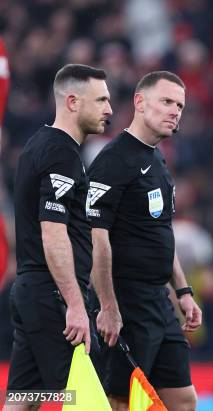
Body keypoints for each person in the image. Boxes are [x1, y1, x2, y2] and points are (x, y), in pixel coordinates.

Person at [87, 71, 201, 411]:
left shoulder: (158, 159)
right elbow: (97, 238)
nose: (174, 111)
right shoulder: (112, 161)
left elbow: (161, 234)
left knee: (183, 399)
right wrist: (108, 307)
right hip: (126, 301)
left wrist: (182, 291)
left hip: (158, 302)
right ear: (140, 101)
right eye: (167, 102)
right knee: (120, 401)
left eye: (179, 105)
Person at [7, 64, 112, 407]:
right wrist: (76, 305)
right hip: (53, 296)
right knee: (87, 401)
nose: (109, 110)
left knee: (24, 399)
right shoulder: (60, 153)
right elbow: (53, 233)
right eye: (100, 100)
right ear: (72, 102)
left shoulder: (39, 144)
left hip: (32, 291)